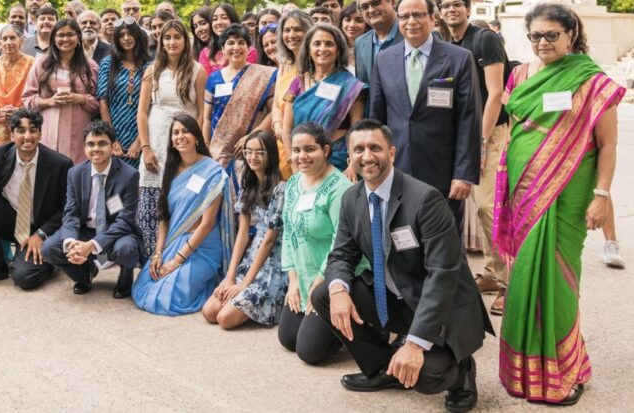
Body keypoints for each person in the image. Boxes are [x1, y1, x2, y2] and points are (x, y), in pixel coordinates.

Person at [494, 3, 625, 406]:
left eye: (552, 35)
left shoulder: (591, 81)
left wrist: (601, 196)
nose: (542, 42)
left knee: (559, 281)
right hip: (524, 191)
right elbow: (520, 131)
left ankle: (566, 371)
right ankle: (525, 370)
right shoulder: (519, 74)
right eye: (535, 35)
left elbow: (607, 145)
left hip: (567, 193)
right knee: (522, 278)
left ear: (571, 34)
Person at [314, 120, 490, 413]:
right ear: (350, 156)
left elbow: (442, 276)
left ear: (392, 153)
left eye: (375, 148)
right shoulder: (352, 199)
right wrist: (338, 290)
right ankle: (385, 369)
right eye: (359, 149)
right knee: (324, 295)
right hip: (395, 298)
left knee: (424, 377)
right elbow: (342, 255)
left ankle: (462, 373)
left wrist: (415, 344)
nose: (367, 156)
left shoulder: (425, 199)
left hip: (440, 307)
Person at [369, 0, 481, 229]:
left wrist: (463, 173)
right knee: (402, 243)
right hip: (397, 169)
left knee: (444, 246)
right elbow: (376, 120)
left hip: (442, 173)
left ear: (433, 18)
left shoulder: (459, 58)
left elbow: (468, 119)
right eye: (404, 16)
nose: (411, 21)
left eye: (418, 14)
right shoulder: (383, 59)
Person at [436, 0, 512, 311]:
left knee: (491, 207)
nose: (451, 10)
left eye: (457, 5)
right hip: (462, 134)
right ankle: (495, 272)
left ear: (468, 9)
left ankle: (514, 284)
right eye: (446, 5)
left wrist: (480, 143)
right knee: (477, 208)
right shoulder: (445, 44)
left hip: (491, 133)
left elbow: (496, 94)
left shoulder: (484, 39)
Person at [132, 114, 234, 316]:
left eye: (185, 131)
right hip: (174, 241)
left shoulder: (212, 171)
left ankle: (208, 280)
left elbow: (207, 223)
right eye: (176, 133)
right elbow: (165, 217)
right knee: (143, 290)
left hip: (203, 246)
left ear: (196, 136)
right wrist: (158, 253)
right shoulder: (170, 169)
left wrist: (177, 261)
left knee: (165, 299)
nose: (180, 136)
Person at [0, 108, 72, 289]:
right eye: (21, 131)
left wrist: (41, 234)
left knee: (24, 278)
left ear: (40, 133)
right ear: (12, 135)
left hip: (41, 227)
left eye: (33, 130)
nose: (27, 137)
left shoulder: (60, 164)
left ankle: (51, 261)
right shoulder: (0, 155)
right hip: (12, 220)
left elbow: (66, 208)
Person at [278, 123, 356, 364]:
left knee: (309, 352)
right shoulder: (293, 183)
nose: (302, 156)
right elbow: (288, 231)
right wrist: (293, 280)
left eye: (309, 149)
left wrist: (319, 282)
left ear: (325, 150)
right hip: (302, 273)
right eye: (297, 150)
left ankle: (356, 327)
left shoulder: (339, 188)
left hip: (330, 277)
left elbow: (340, 241)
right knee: (288, 338)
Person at [42, 120, 141, 298]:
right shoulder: (75, 173)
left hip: (116, 232)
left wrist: (91, 246)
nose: (96, 148)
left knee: (127, 249)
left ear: (113, 146)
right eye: (91, 144)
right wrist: (72, 243)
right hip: (85, 230)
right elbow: (70, 213)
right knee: (50, 248)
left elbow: (124, 221)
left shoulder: (129, 175)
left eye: (102, 143)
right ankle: (84, 274)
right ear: (84, 147)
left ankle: (126, 277)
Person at [202, 130, 287, 328]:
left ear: (271, 154)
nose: (252, 157)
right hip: (250, 259)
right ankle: (240, 295)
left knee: (225, 319)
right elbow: (242, 233)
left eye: (260, 152)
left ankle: (256, 302)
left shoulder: (280, 187)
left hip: (272, 264)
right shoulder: (247, 183)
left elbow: (269, 239)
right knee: (209, 312)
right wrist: (230, 277)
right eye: (248, 152)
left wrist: (245, 284)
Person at [136, 20, 207, 258]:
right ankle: (151, 262)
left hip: (185, 141)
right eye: (167, 38)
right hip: (156, 139)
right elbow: (142, 112)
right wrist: (146, 148)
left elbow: (202, 113)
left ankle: (176, 261)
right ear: (161, 42)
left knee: (181, 202)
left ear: (186, 41)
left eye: (177, 37)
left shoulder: (197, 70)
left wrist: (199, 151)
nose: (172, 42)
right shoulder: (152, 70)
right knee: (153, 206)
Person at [282, 23, 365, 173]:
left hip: (339, 162)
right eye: (317, 44)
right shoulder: (298, 83)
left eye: (329, 44)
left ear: (338, 50)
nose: (323, 49)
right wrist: (293, 164)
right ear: (308, 50)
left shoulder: (350, 86)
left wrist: (353, 164)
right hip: (302, 162)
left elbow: (357, 131)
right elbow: (287, 129)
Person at [23, 17, 99, 161]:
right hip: (47, 130)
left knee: (75, 172)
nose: (66, 39)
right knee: (50, 170)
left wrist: (80, 98)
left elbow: (99, 102)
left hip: (78, 131)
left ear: (78, 38)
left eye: (70, 34)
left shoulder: (90, 66)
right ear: (53, 38)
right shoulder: (42, 64)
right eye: (61, 35)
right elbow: (27, 98)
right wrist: (48, 101)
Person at [203, 24, 276, 169]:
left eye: (241, 42)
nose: (236, 47)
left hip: (250, 150)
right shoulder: (213, 78)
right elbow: (207, 117)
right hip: (216, 150)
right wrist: (206, 148)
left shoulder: (263, 75)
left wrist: (251, 136)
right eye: (230, 43)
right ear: (223, 49)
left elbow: (273, 112)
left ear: (248, 48)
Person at [97, 20, 150, 169]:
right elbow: (103, 102)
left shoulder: (149, 66)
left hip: (143, 134)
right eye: (121, 35)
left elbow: (152, 107)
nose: (126, 38)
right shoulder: (108, 63)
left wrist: (140, 141)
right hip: (115, 133)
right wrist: (111, 139)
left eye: (130, 34)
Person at [269, 9, 314, 178]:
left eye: (297, 29)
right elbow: (276, 104)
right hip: (281, 141)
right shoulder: (284, 64)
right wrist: (278, 126)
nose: (291, 35)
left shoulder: (314, 65)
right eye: (287, 30)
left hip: (305, 142)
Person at [353, 0, 401, 111]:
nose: (371, 10)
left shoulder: (412, 35)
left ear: (392, 1)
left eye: (375, 3)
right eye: (364, 7)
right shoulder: (360, 43)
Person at [199, 3, 256, 72]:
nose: (218, 22)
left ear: (233, 20)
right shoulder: (205, 53)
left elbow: (248, 77)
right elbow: (206, 81)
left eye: (224, 18)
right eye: (215, 19)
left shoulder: (248, 51)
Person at [339, 3, 368, 71]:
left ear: (367, 25)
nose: (352, 25)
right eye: (347, 20)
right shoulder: (335, 49)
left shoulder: (373, 49)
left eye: (359, 20)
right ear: (341, 23)